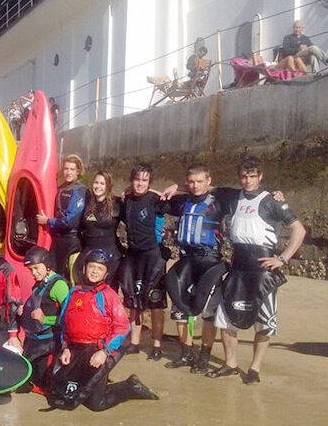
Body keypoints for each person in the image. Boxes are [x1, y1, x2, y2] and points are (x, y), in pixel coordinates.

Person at [205, 157, 305, 384]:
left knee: (265, 321)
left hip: (262, 271)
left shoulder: (273, 201)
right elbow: (202, 186)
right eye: (243, 176)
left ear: (260, 177)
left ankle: (254, 369)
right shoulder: (232, 196)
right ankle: (230, 363)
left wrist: (282, 258)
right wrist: (175, 187)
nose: (248, 181)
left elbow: (299, 230)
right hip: (238, 267)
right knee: (225, 317)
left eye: (252, 176)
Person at [47, 250, 158, 411]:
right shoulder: (73, 292)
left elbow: (123, 326)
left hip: (98, 350)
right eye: (92, 266)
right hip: (75, 349)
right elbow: (65, 324)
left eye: (100, 269)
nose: (94, 271)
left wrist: (104, 352)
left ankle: (130, 388)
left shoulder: (108, 295)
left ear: (106, 273)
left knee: (95, 404)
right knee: (68, 393)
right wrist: (65, 348)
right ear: (84, 268)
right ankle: (102, 386)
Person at [161, 164, 228, 373]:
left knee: (209, 313)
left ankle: (204, 357)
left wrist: (276, 194)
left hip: (210, 261)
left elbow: (248, 194)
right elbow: (154, 198)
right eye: (191, 182)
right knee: (179, 307)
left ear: (209, 181)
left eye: (200, 181)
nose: (195, 186)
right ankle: (186, 352)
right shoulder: (182, 201)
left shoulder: (221, 201)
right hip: (187, 259)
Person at [117, 164, 170, 360]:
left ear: (150, 182)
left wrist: (156, 191)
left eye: (145, 180)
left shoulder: (156, 200)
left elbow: (175, 199)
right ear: (131, 181)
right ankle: (135, 343)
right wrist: (127, 192)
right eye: (137, 179)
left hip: (153, 256)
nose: (140, 183)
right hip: (133, 256)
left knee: (156, 303)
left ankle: (156, 345)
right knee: (134, 301)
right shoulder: (126, 200)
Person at [19, 246, 69, 393]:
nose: (33, 273)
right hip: (34, 341)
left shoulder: (59, 285)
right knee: (25, 380)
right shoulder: (40, 282)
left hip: (49, 342)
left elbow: (68, 317)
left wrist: (46, 319)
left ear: (47, 264)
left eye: (36, 268)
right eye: (30, 270)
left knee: (43, 384)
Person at [37, 154, 88, 283]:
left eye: (72, 169)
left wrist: (47, 221)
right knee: (54, 275)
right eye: (66, 169)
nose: (68, 172)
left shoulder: (80, 191)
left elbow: (70, 222)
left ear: (78, 171)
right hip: (57, 240)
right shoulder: (61, 188)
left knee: (70, 278)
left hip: (72, 241)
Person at [72, 171, 124, 286]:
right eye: (96, 182)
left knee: (107, 287)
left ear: (108, 186)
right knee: (78, 275)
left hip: (111, 250)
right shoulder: (87, 202)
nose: (98, 186)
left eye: (102, 183)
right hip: (89, 248)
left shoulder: (117, 203)